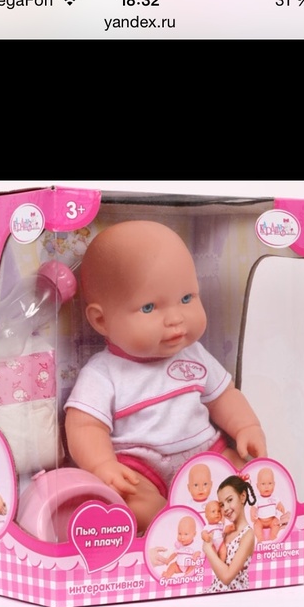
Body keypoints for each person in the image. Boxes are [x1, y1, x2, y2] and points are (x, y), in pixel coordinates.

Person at [65, 220, 267, 533]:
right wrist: (103, 465)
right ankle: (170, 527)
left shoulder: (194, 354)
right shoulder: (103, 373)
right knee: (130, 501)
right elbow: (84, 425)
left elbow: (224, 396)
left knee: (243, 474)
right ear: (101, 320)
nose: (175, 318)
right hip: (141, 468)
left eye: (187, 298)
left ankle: (220, 522)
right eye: (149, 307)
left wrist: (246, 427)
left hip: (206, 453)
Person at [203, 475, 256, 592]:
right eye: (222, 505)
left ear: (242, 497)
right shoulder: (225, 533)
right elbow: (218, 567)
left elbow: (227, 577)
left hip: (234, 596)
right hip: (216, 590)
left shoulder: (247, 535)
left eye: (230, 500)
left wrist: (208, 549)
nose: (225, 508)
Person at [250, 466, 289, 543]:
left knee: (276, 523)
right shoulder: (257, 499)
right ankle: (260, 538)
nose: (267, 486)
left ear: (274, 485)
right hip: (260, 520)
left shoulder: (275, 498)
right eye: (263, 484)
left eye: (270, 483)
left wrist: (281, 507)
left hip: (272, 519)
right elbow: (253, 507)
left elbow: (279, 505)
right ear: (257, 486)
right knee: (256, 525)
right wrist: (253, 512)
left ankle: (273, 536)